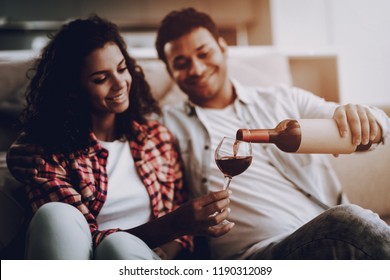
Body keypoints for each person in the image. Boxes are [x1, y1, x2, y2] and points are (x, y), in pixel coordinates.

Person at [8, 8, 390, 259]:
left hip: (315, 232)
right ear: (170, 72)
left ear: (224, 48)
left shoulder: (282, 100)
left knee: (350, 221)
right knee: (352, 221)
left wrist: (365, 116)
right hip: (251, 257)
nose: (196, 68)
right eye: (181, 62)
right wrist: (18, 151)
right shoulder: (167, 126)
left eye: (205, 53)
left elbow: (371, 130)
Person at [5, 15, 233, 260]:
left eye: (122, 69)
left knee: (120, 247)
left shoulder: (156, 138)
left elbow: (181, 237)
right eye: (101, 79)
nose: (119, 84)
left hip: (142, 260)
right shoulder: (42, 154)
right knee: (55, 215)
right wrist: (173, 224)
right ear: (72, 89)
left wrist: (167, 243)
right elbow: (80, 241)